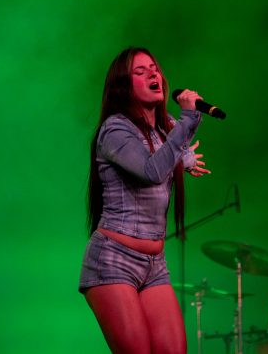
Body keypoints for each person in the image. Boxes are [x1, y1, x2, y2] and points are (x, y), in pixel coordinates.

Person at [78, 47, 210, 354]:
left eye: (154, 68)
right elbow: (151, 170)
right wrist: (189, 120)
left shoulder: (165, 131)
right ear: (124, 86)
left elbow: (171, 148)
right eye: (140, 71)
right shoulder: (114, 129)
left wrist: (184, 158)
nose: (153, 74)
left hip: (155, 264)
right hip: (114, 260)